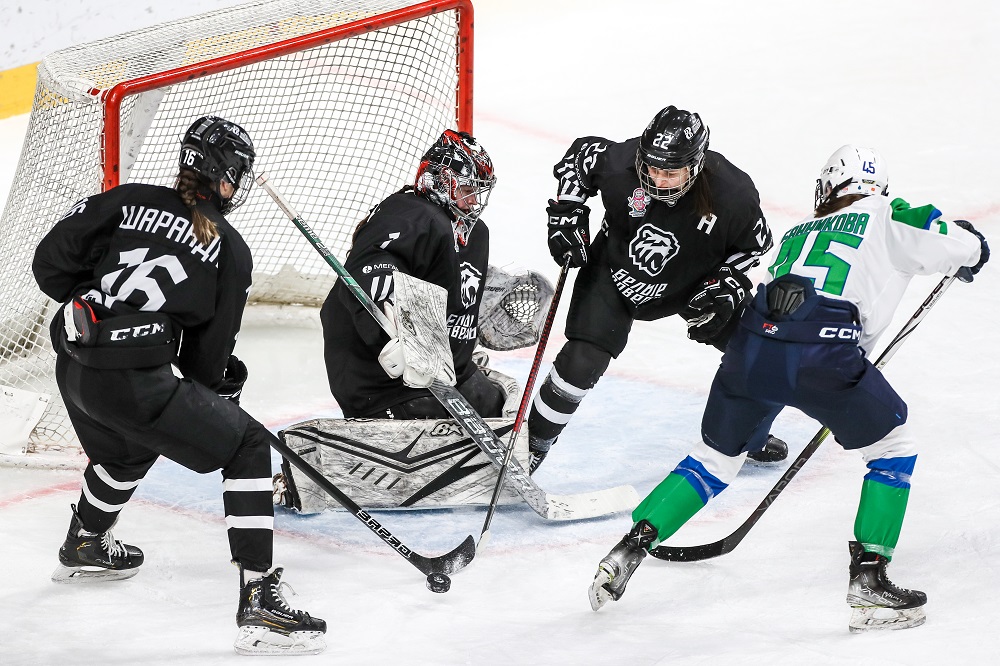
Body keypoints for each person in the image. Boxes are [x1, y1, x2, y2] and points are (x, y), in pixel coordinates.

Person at [587, 145, 990, 632]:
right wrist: (972, 248)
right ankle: (869, 578)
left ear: (827, 188)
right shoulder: (887, 212)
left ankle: (632, 545)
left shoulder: (800, 231)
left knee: (714, 459)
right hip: (824, 351)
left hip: (750, 346)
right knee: (892, 447)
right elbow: (954, 242)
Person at [32, 116, 327, 656]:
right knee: (246, 444)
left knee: (131, 447)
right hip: (132, 383)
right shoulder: (229, 250)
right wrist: (220, 383)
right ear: (229, 180)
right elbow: (204, 366)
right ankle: (260, 596)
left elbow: (48, 266)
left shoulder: (123, 200)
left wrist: (102, 314)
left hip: (74, 372)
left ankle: (86, 540)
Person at [528, 105, 786, 471]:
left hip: (693, 280)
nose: (656, 178)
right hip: (614, 272)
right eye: (651, 167)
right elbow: (581, 157)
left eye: (669, 171)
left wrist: (726, 282)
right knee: (582, 360)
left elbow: (755, 245)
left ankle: (748, 435)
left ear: (695, 164)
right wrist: (566, 210)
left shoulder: (732, 194)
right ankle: (532, 443)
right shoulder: (623, 163)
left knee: (753, 352)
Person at [320, 129, 507, 419]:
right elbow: (370, 271)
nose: (473, 202)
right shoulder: (412, 214)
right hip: (383, 383)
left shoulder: (470, 230)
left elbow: (447, 280)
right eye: (466, 190)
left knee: (498, 405)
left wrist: (491, 293)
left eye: (477, 192)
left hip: (443, 374)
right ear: (439, 182)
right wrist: (391, 338)